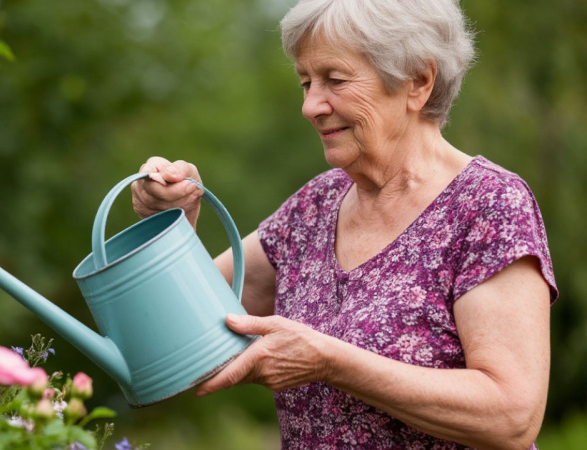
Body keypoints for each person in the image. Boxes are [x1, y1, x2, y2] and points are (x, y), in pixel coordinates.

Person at [130, 0, 558, 448]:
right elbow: (184, 334)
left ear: (418, 81)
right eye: (306, 82)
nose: (311, 106)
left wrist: (330, 362)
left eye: (335, 80)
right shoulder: (314, 206)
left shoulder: (487, 205)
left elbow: (511, 416)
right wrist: (172, 226)